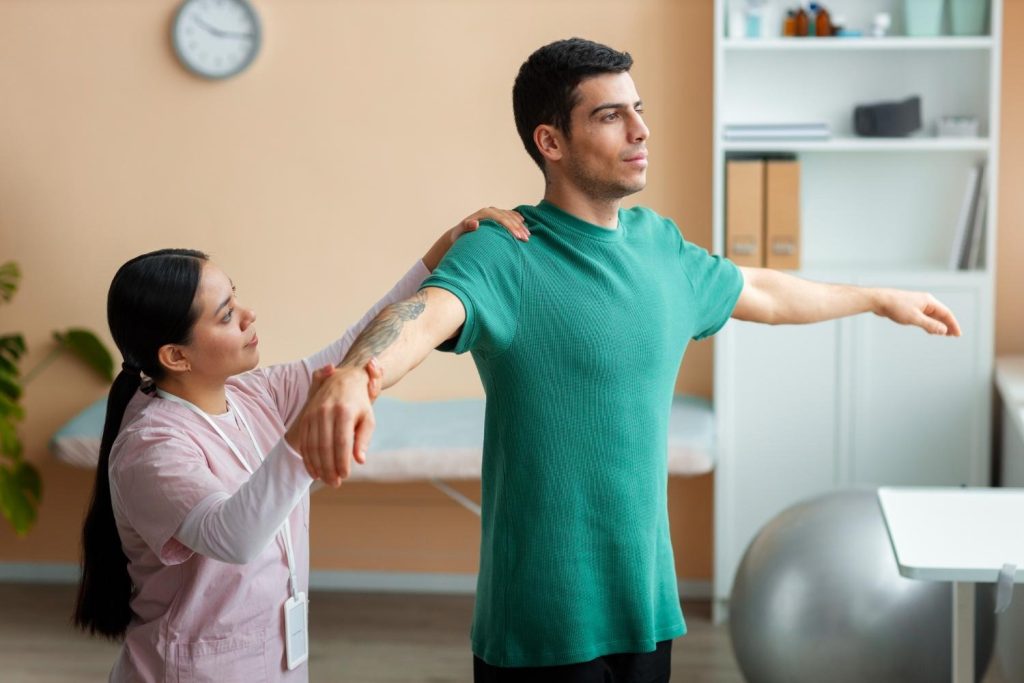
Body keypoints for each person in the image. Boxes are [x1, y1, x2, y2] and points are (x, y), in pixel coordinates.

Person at [293, 38, 961, 682]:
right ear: (549, 142)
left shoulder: (660, 246)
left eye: (639, 110)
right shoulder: (504, 248)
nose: (640, 130)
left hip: (645, 610)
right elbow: (423, 312)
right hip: (540, 625)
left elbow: (761, 289)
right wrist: (357, 374)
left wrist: (877, 297)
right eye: (610, 116)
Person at [71, 208, 528, 682]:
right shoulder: (151, 447)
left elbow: (356, 346)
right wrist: (312, 423)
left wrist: (441, 252)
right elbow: (232, 536)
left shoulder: (254, 394)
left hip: (277, 661)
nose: (249, 316)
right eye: (227, 315)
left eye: (237, 299)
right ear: (176, 356)